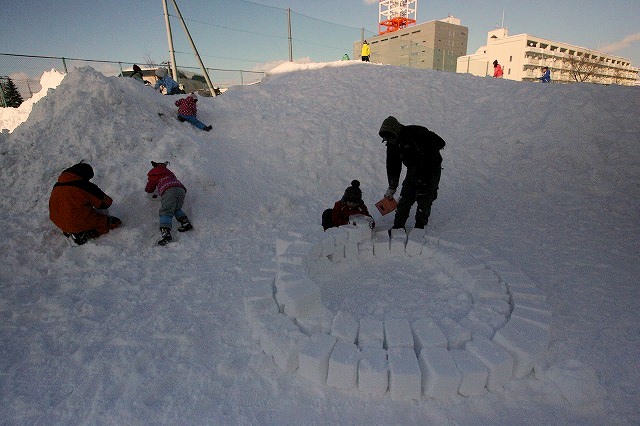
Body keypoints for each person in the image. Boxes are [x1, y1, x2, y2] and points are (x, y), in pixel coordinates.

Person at [378, 116, 446, 231]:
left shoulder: (417, 134)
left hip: (431, 169)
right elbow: (393, 165)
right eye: (386, 138)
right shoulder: (392, 143)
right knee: (406, 196)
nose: (388, 140)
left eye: (389, 137)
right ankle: (398, 226)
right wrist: (392, 186)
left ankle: (420, 226)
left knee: (425, 197)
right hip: (413, 169)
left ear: (395, 132)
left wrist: (424, 182)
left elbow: (429, 159)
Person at [49, 162, 122, 245]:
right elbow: (105, 204)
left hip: (58, 222)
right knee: (115, 222)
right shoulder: (84, 186)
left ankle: (69, 231)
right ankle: (85, 234)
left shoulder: (57, 185)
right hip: (76, 222)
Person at [145, 161, 193, 245]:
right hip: (181, 189)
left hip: (169, 190)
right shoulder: (169, 173)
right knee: (176, 208)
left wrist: (148, 190)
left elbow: (150, 187)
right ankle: (185, 223)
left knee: (166, 211)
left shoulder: (153, 173)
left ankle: (166, 233)